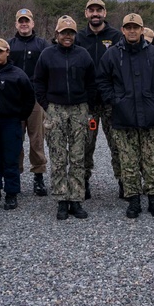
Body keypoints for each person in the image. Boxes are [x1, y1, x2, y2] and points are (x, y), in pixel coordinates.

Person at [98, 13, 154, 219]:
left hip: (150, 116)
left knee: (151, 160)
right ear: (122, 30)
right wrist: (115, 100)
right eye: (128, 27)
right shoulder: (112, 54)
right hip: (124, 117)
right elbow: (102, 81)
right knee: (128, 161)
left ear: (141, 29)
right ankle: (133, 200)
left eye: (135, 27)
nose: (132, 31)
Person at [34, 16, 96, 220]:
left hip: (79, 110)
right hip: (55, 110)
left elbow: (92, 83)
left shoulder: (83, 55)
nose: (67, 36)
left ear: (75, 34)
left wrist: (87, 106)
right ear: (57, 34)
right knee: (59, 157)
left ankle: (76, 200)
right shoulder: (47, 55)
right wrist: (47, 106)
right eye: (63, 32)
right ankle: (62, 200)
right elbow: (39, 82)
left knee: (78, 157)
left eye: (70, 32)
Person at [0, 38, 36, 211]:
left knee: (11, 159)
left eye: (0, 51)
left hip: (10, 122)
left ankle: (11, 193)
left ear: (7, 52)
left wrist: (20, 116)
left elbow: (29, 98)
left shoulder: (18, 74)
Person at [75, 0, 122, 200]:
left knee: (118, 145)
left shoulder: (117, 36)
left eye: (99, 10)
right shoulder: (78, 38)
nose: (95, 14)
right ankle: (82, 183)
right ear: (86, 13)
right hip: (88, 104)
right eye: (91, 10)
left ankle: (124, 182)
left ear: (105, 12)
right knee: (85, 145)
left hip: (111, 102)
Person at [7, 8, 50, 197]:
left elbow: (50, 70)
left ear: (33, 23)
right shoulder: (9, 45)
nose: (24, 24)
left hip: (35, 100)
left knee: (37, 139)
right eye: (20, 21)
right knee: (15, 138)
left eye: (27, 21)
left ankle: (38, 177)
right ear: (16, 24)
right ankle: (14, 176)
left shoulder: (42, 45)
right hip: (14, 100)